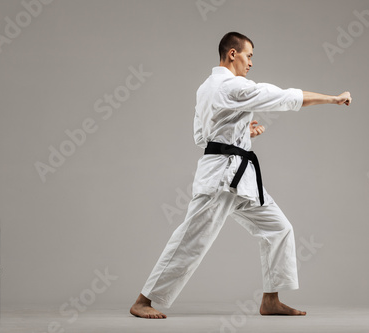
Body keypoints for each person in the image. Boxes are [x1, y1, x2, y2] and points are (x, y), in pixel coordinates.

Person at [130, 32, 352, 319]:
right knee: (192, 239)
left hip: (240, 177)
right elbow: (284, 98)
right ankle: (143, 300)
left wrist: (242, 134)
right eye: (248, 56)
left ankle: (271, 300)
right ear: (232, 54)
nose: (250, 63)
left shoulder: (205, 88)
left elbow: (202, 137)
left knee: (279, 228)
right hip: (221, 180)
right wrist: (333, 99)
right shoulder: (233, 86)